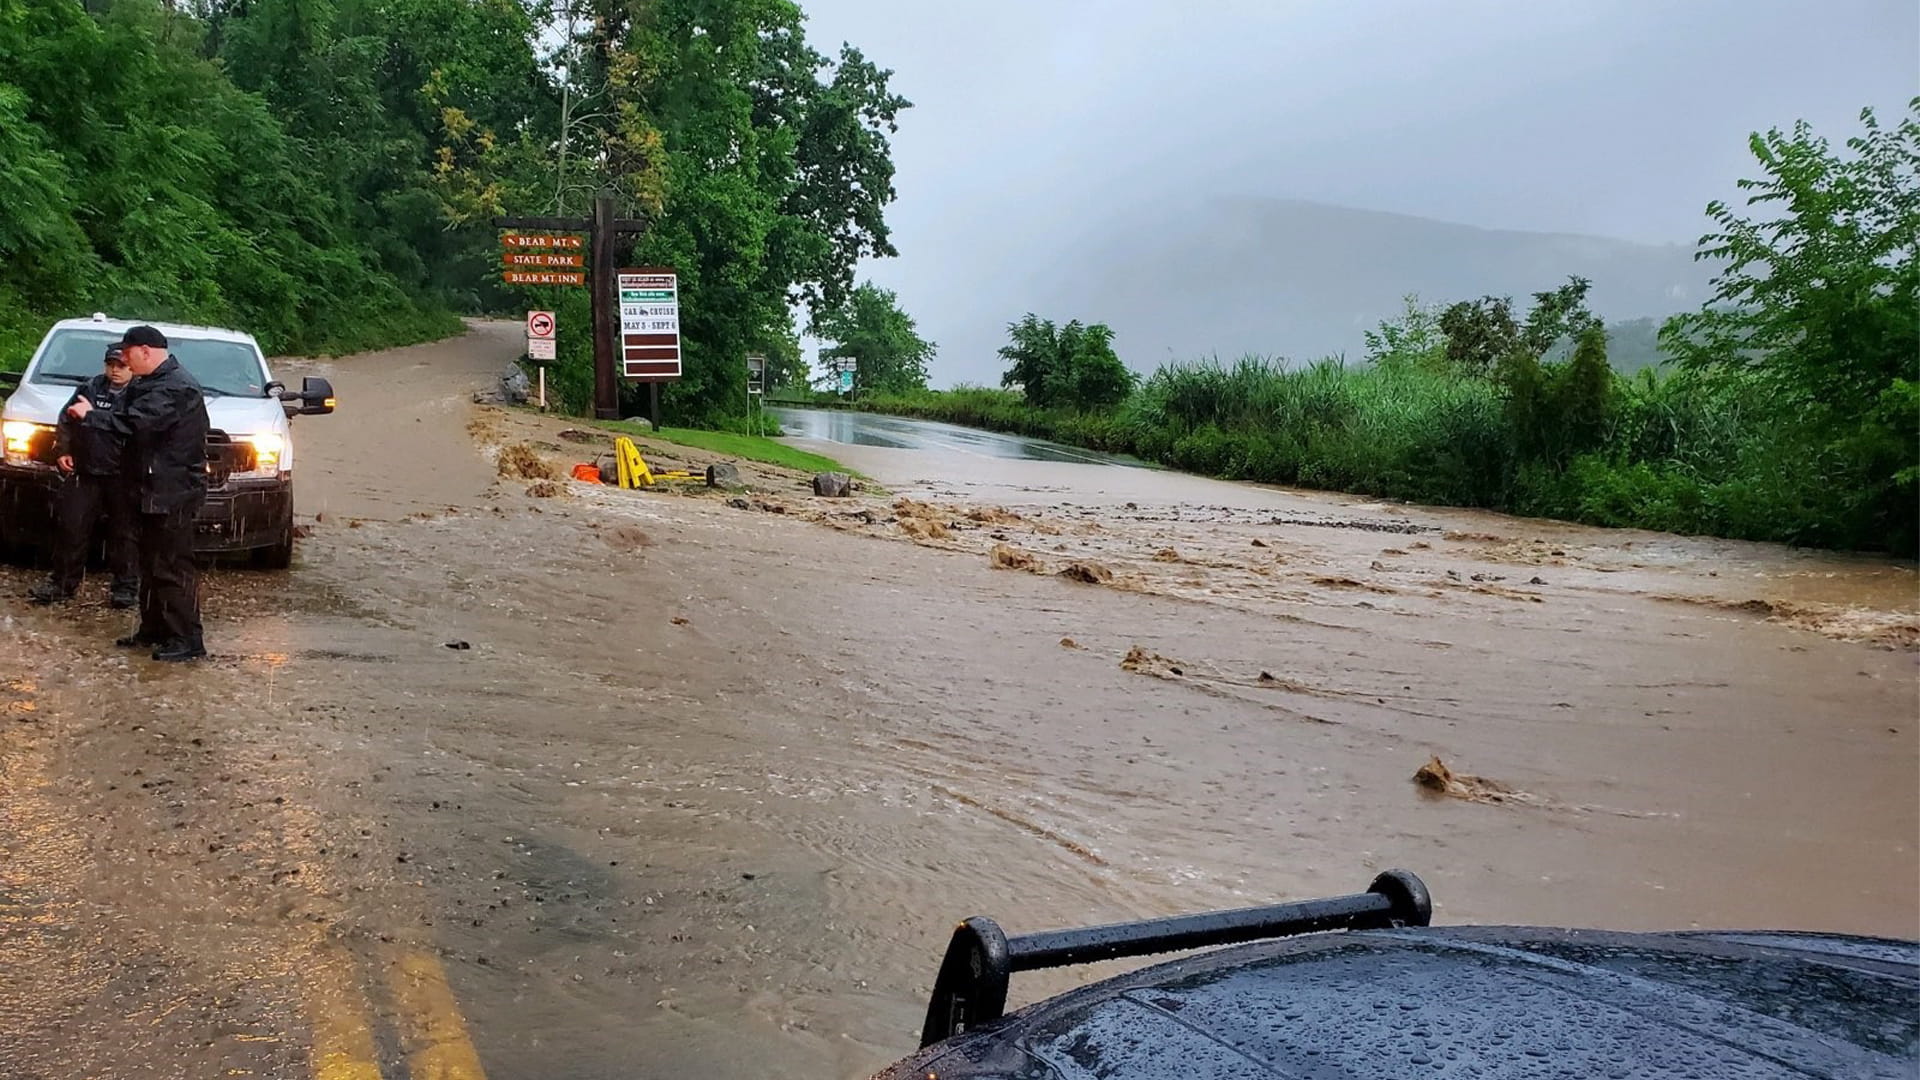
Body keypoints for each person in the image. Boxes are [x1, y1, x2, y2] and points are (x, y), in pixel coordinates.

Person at [68, 325, 210, 662]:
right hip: (148, 488)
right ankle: (155, 629)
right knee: (149, 564)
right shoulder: (150, 383)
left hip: (172, 491)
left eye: (128, 355)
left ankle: (188, 638)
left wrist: (92, 417)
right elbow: (123, 418)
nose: (125, 362)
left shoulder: (176, 387)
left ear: (145, 351)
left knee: (171, 566)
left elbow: (134, 423)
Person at [29, 343, 139, 608]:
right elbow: (67, 420)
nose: (115, 371)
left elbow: (140, 428)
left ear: (132, 368)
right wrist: (63, 450)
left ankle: (125, 589)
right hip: (85, 471)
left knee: (124, 534)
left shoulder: (140, 394)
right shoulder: (89, 387)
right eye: (111, 365)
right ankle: (61, 584)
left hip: (122, 475)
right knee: (71, 527)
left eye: (122, 366)